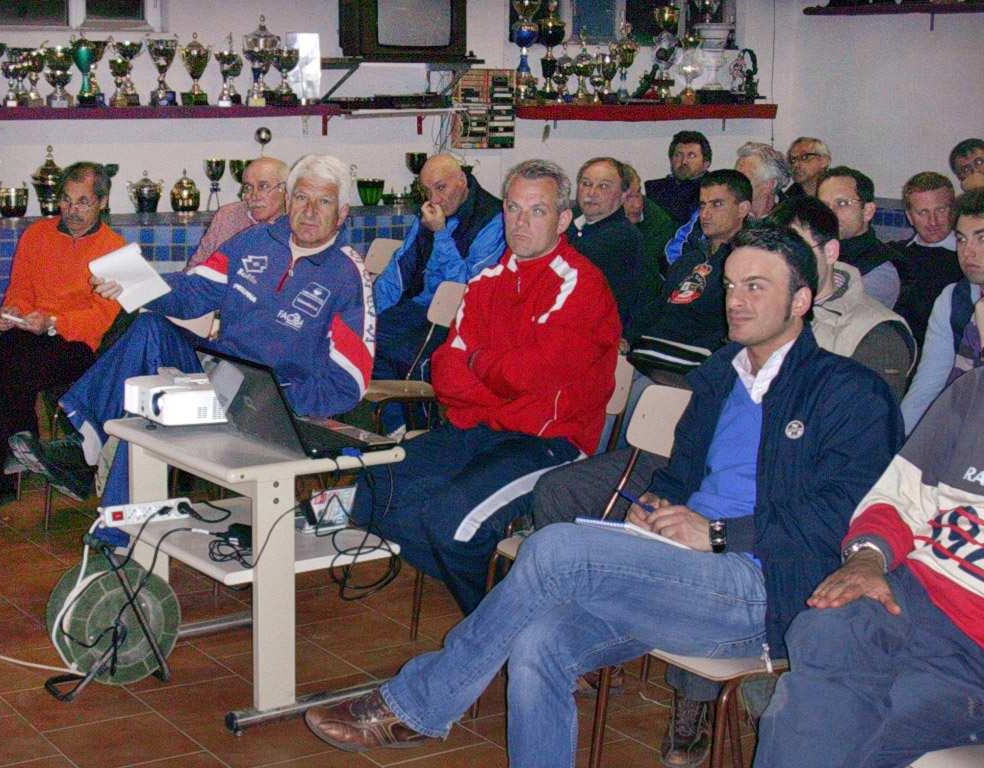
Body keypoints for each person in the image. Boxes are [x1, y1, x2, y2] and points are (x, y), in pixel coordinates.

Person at [304, 226, 903, 767]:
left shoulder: (849, 393)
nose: (736, 300)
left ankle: (416, 706)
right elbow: (680, 477)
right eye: (729, 285)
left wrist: (718, 535)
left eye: (756, 286)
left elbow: (834, 518)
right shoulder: (722, 372)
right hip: (686, 571)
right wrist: (654, 510)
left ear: (801, 301)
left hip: (762, 589)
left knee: (557, 549)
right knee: (541, 642)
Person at [9, 154, 375, 506]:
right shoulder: (252, 243)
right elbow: (193, 292)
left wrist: (280, 401)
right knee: (149, 327)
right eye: (301, 197)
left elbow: (350, 382)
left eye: (323, 201)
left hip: (275, 400)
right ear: (288, 199)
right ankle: (88, 441)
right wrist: (135, 284)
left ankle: (110, 517)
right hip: (218, 377)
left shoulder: (347, 275)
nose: (309, 212)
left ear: (342, 212)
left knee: (149, 419)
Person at [347, 159, 621, 616]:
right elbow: (445, 372)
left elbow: (528, 376)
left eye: (537, 211)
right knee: (377, 486)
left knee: (451, 525)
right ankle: (500, 607)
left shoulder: (580, 286)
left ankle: (504, 625)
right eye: (513, 208)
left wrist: (478, 362)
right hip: (479, 428)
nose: (520, 222)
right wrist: (490, 376)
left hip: (547, 442)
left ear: (563, 219)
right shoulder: (486, 281)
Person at [755, 364, 984, 768]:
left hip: (973, 656)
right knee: (823, 626)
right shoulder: (976, 389)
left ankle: (798, 703)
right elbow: (900, 497)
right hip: (908, 596)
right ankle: (804, 700)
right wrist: (867, 557)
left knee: (831, 723)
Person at [0, 162, 123, 513]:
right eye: (66, 200)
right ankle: (26, 447)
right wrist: (12, 313)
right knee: (14, 350)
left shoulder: (114, 248)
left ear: (102, 202)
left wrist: (53, 321)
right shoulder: (37, 235)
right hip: (32, 334)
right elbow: (19, 290)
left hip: (79, 344)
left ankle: (1, 477)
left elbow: (99, 319)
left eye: (83, 202)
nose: (72, 210)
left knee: (14, 365)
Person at [371, 153, 504, 434]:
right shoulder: (430, 213)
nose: (434, 198)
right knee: (362, 340)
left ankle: (416, 431)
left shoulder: (494, 219)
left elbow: (468, 287)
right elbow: (400, 267)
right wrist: (369, 311)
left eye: (440, 188)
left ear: (462, 181)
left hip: (456, 318)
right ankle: (395, 429)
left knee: (404, 354)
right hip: (418, 307)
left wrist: (441, 234)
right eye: (427, 190)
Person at [768, 196, 916, 403]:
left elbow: (865, 426)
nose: (783, 266)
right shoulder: (763, 310)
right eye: (774, 254)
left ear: (830, 252)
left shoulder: (876, 334)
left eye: (795, 251)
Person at [901, 189, 984, 435]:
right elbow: (929, 384)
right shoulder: (953, 299)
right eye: (961, 239)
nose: (968, 252)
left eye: (982, 239)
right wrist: (898, 450)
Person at [646, 169, 753, 355]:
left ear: (742, 209)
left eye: (717, 204)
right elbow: (659, 306)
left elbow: (728, 329)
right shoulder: (689, 259)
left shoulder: (750, 264)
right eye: (702, 205)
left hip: (698, 361)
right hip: (655, 350)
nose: (705, 214)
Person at [570, 157, 662, 341]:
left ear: (622, 195)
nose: (591, 192)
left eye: (603, 186)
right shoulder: (572, 224)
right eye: (586, 184)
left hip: (600, 337)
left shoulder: (621, 236)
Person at [893, 172, 960, 351]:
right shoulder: (893, 254)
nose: (933, 221)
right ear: (909, 217)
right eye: (923, 212)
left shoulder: (969, 259)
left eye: (941, 210)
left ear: (953, 210)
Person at [817, 166, 901, 308]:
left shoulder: (880, 271)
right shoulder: (816, 250)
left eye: (842, 203)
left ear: (867, 211)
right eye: (823, 205)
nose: (829, 213)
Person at [184, 157, 288, 271]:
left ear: (285, 189)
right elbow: (194, 269)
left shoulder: (297, 225)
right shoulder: (227, 216)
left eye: (263, 186)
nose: (253, 195)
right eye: (248, 187)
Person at [622, 163, 678, 277]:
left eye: (638, 192)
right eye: (628, 198)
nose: (637, 205)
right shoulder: (586, 215)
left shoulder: (660, 224)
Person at [645, 130, 712, 226]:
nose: (684, 161)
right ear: (671, 159)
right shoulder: (655, 190)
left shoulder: (714, 191)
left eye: (691, 155)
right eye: (678, 155)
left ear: (706, 163)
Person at [734, 141, 791, 218]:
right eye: (735, 176)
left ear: (769, 185)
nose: (734, 183)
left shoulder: (792, 219)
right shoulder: (727, 216)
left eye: (744, 178)